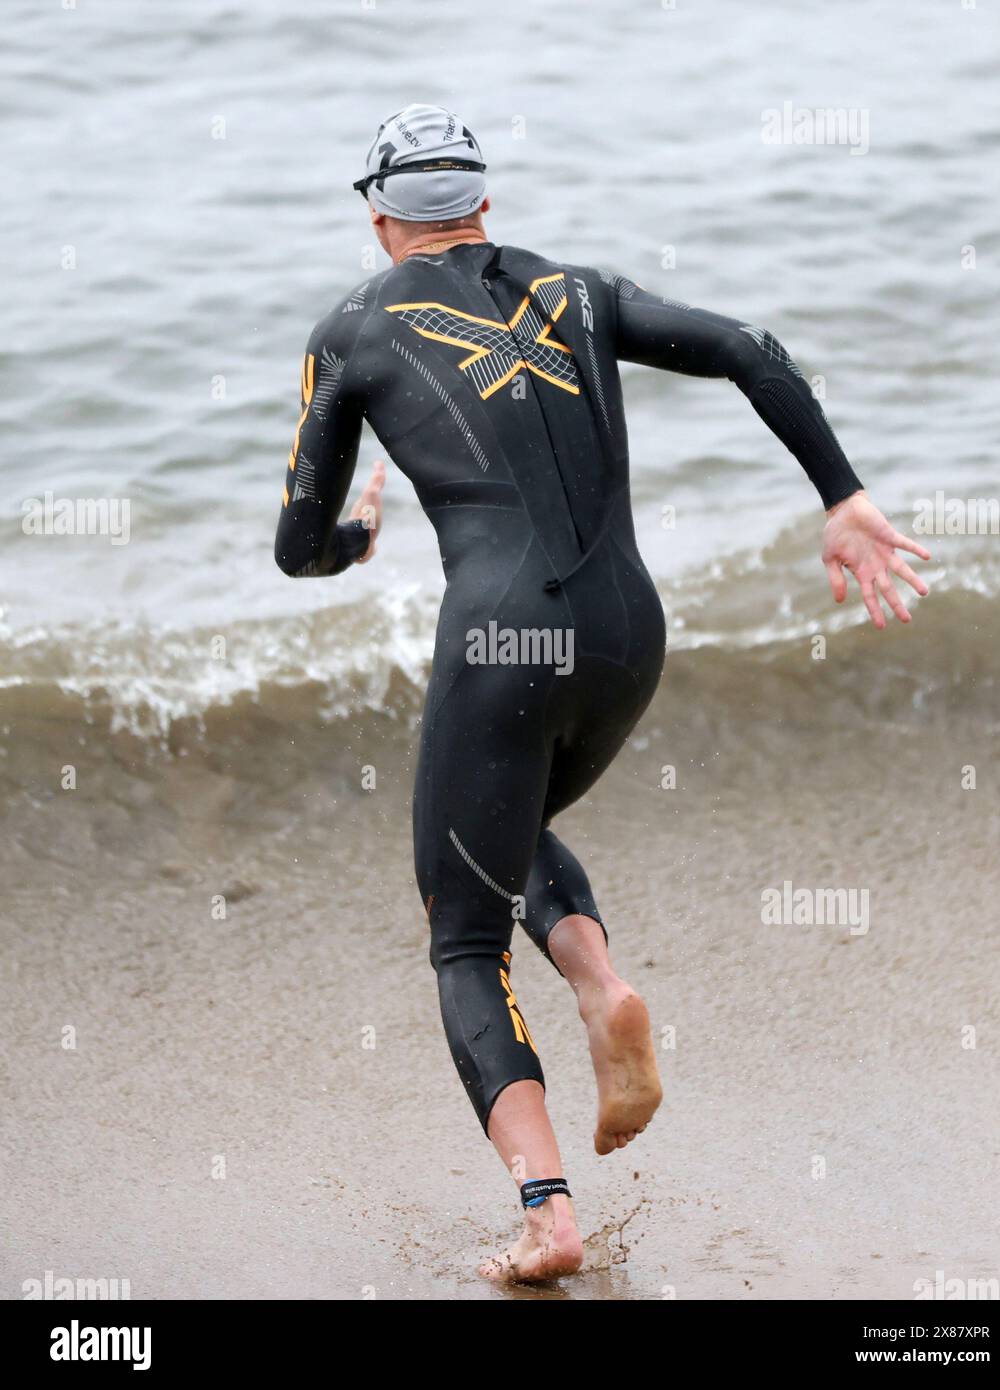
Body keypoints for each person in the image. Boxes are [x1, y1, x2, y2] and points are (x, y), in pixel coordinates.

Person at [274, 103, 930, 1283]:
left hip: (499, 641)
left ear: (377, 220)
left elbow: (294, 544)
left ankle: (547, 1214)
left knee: (462, 933)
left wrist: (358, 536)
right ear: (483, 202)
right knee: (509, 828)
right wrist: (840, 496)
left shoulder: (349, 334)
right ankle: (598, 983)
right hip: (629, 630)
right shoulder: (580, 290)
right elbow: (751, 348)